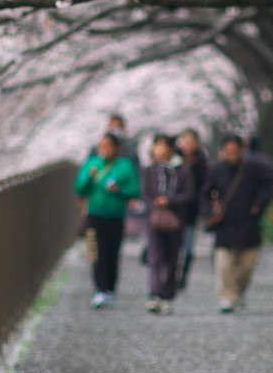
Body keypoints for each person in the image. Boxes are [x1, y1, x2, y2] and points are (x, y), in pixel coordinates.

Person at [200, 132, 273, 313]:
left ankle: (238, 292)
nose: (232, 155)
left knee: (247, 266)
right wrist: (209, 211)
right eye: (229, 151)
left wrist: (259, 205)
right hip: (225, 223)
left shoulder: (255, 168)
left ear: (242, 150)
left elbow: (268, 187)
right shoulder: (216, 169)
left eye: (236, 151)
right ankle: (227, 297)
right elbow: (204, 193)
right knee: (224, 265)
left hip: (248, 221)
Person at [74, 132, 140, 308]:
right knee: (97, 252)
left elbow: (135, 190)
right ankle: (100, 289)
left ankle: (110, 288)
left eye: (109, 146)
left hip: (116, 215)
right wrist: (89, 176)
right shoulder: (92, 164)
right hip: (95, 214)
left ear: (118, 148)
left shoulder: (125, 166)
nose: (105, 150)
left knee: (112, 251)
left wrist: (119, 190)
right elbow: (79, 187)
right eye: (102, 146)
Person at [142, 133, 194, 315]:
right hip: (155, 220)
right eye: (156, 146)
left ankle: (167, 295)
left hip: (176, 220)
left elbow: (189, 194)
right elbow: (145, 193)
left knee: (172, 258)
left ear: (171, 149)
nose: (157, 150)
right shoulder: (150, 170)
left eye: (161, 146)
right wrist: (153, 205)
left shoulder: (183, 169)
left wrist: (170, 201)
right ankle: (154, 294)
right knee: (155, 256)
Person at [175, 128, 208, 289]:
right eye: (185, 141)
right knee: (173, 247)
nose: (188, 145)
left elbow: (205, 187)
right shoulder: (174, 161)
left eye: (191, 142)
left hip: (191, 212)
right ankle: (172, 274)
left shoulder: (202, 163)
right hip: (173, 210)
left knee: (188, 249)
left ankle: (183, 274)